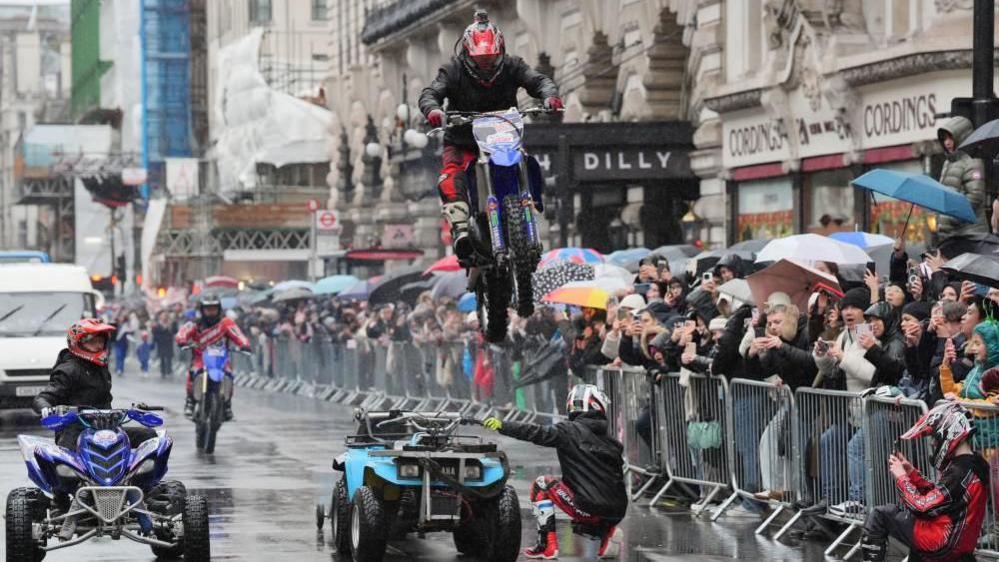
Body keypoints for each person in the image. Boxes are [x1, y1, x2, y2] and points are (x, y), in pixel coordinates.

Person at [419, 10, 561, 266]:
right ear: (466, 53)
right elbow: (431, 92)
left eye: (491, 58)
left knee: (526, 160)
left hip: (503, 137)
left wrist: (549, 95)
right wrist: (434, 110)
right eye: (479, 59)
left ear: (501, 51)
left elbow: (538, 80)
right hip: (463, 141)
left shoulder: (513, 65)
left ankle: (535, 204)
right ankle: (461, 229)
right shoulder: (452, 70)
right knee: (451, 175)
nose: (486, 64)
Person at [482, 384, 627, 559]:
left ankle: (547, 545)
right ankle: (607, 535)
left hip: (588, 509)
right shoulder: (612, 442)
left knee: (542, 485)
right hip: (618, 511)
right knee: (593, 495)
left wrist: (503, 425)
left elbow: (534, 432)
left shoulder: (567, 430)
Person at [860, 401, 988, 562]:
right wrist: (913, 474)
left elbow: (921, 506)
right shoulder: (976, 463)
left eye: (935, 437)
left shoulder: (959, 471)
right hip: (961, 544)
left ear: (950, 432)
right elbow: (945, 499)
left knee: (881, 515)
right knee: (918, 530)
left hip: (942, 543)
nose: (934, 443)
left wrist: (901, 477)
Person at [32, 319, 157, 451]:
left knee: (149, 435)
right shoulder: (68, 369)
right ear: (77, 343)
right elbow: (43, 398)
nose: (98, 345)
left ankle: (133, 471)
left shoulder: (100, 367)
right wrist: (46, 408)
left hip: (105, 428)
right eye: (93, 342)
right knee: (66, 455)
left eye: (101, 341)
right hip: (75, 430)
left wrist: (135, 410)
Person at [176, 296, 251, 420]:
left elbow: (238, 334)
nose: (211, 312)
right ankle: (190, 402)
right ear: (202, 309)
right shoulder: (195, 323)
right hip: (201, 358)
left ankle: (227, 406)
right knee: (193, 372)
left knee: (229, 374)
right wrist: (182, 341)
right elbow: (182, 332)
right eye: (208, 309)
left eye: (213, 309)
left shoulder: (226, 323)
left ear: (219, 309)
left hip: (221, 359)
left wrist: (244, 345)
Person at [935, 116, 988, 239]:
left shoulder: (973, 162)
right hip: (954, 234)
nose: (947, 142)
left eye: (951, 138)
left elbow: (975, 197)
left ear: (962, 137)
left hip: (971, 234)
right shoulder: (948, 162)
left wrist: (949, 219)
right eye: (944, 138)